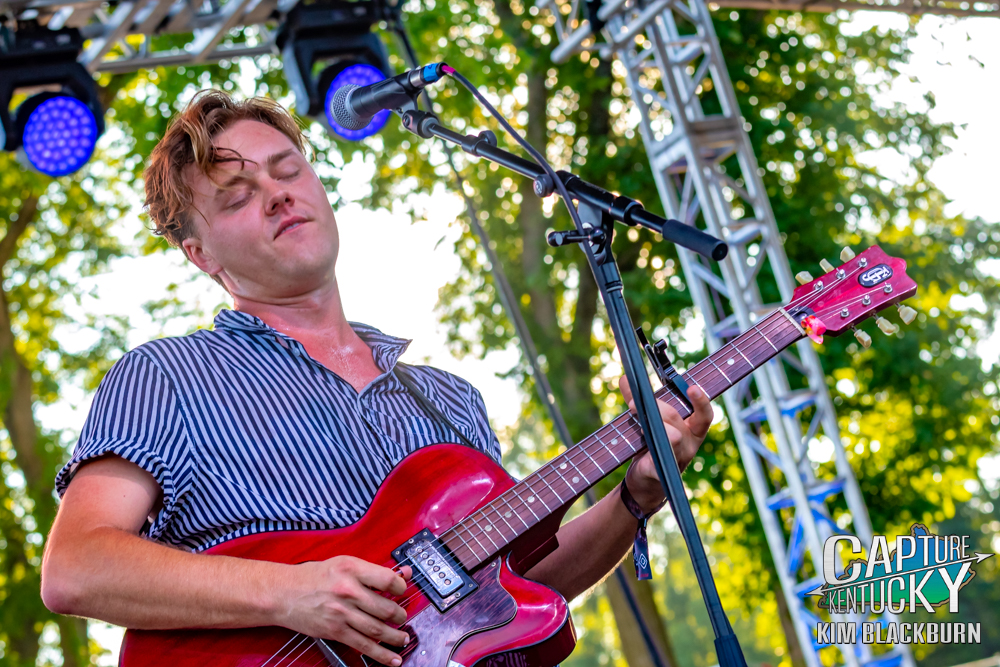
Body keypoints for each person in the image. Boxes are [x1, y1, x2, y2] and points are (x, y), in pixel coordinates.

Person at [40, 90, 713, 666]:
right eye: (238, 196)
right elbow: (77, 567)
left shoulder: (450, 400)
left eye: (288, 170)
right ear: (199, 253)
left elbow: (512, 595)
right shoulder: (166, 375)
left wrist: (634, 498)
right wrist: (289, 593)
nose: (277, 194)